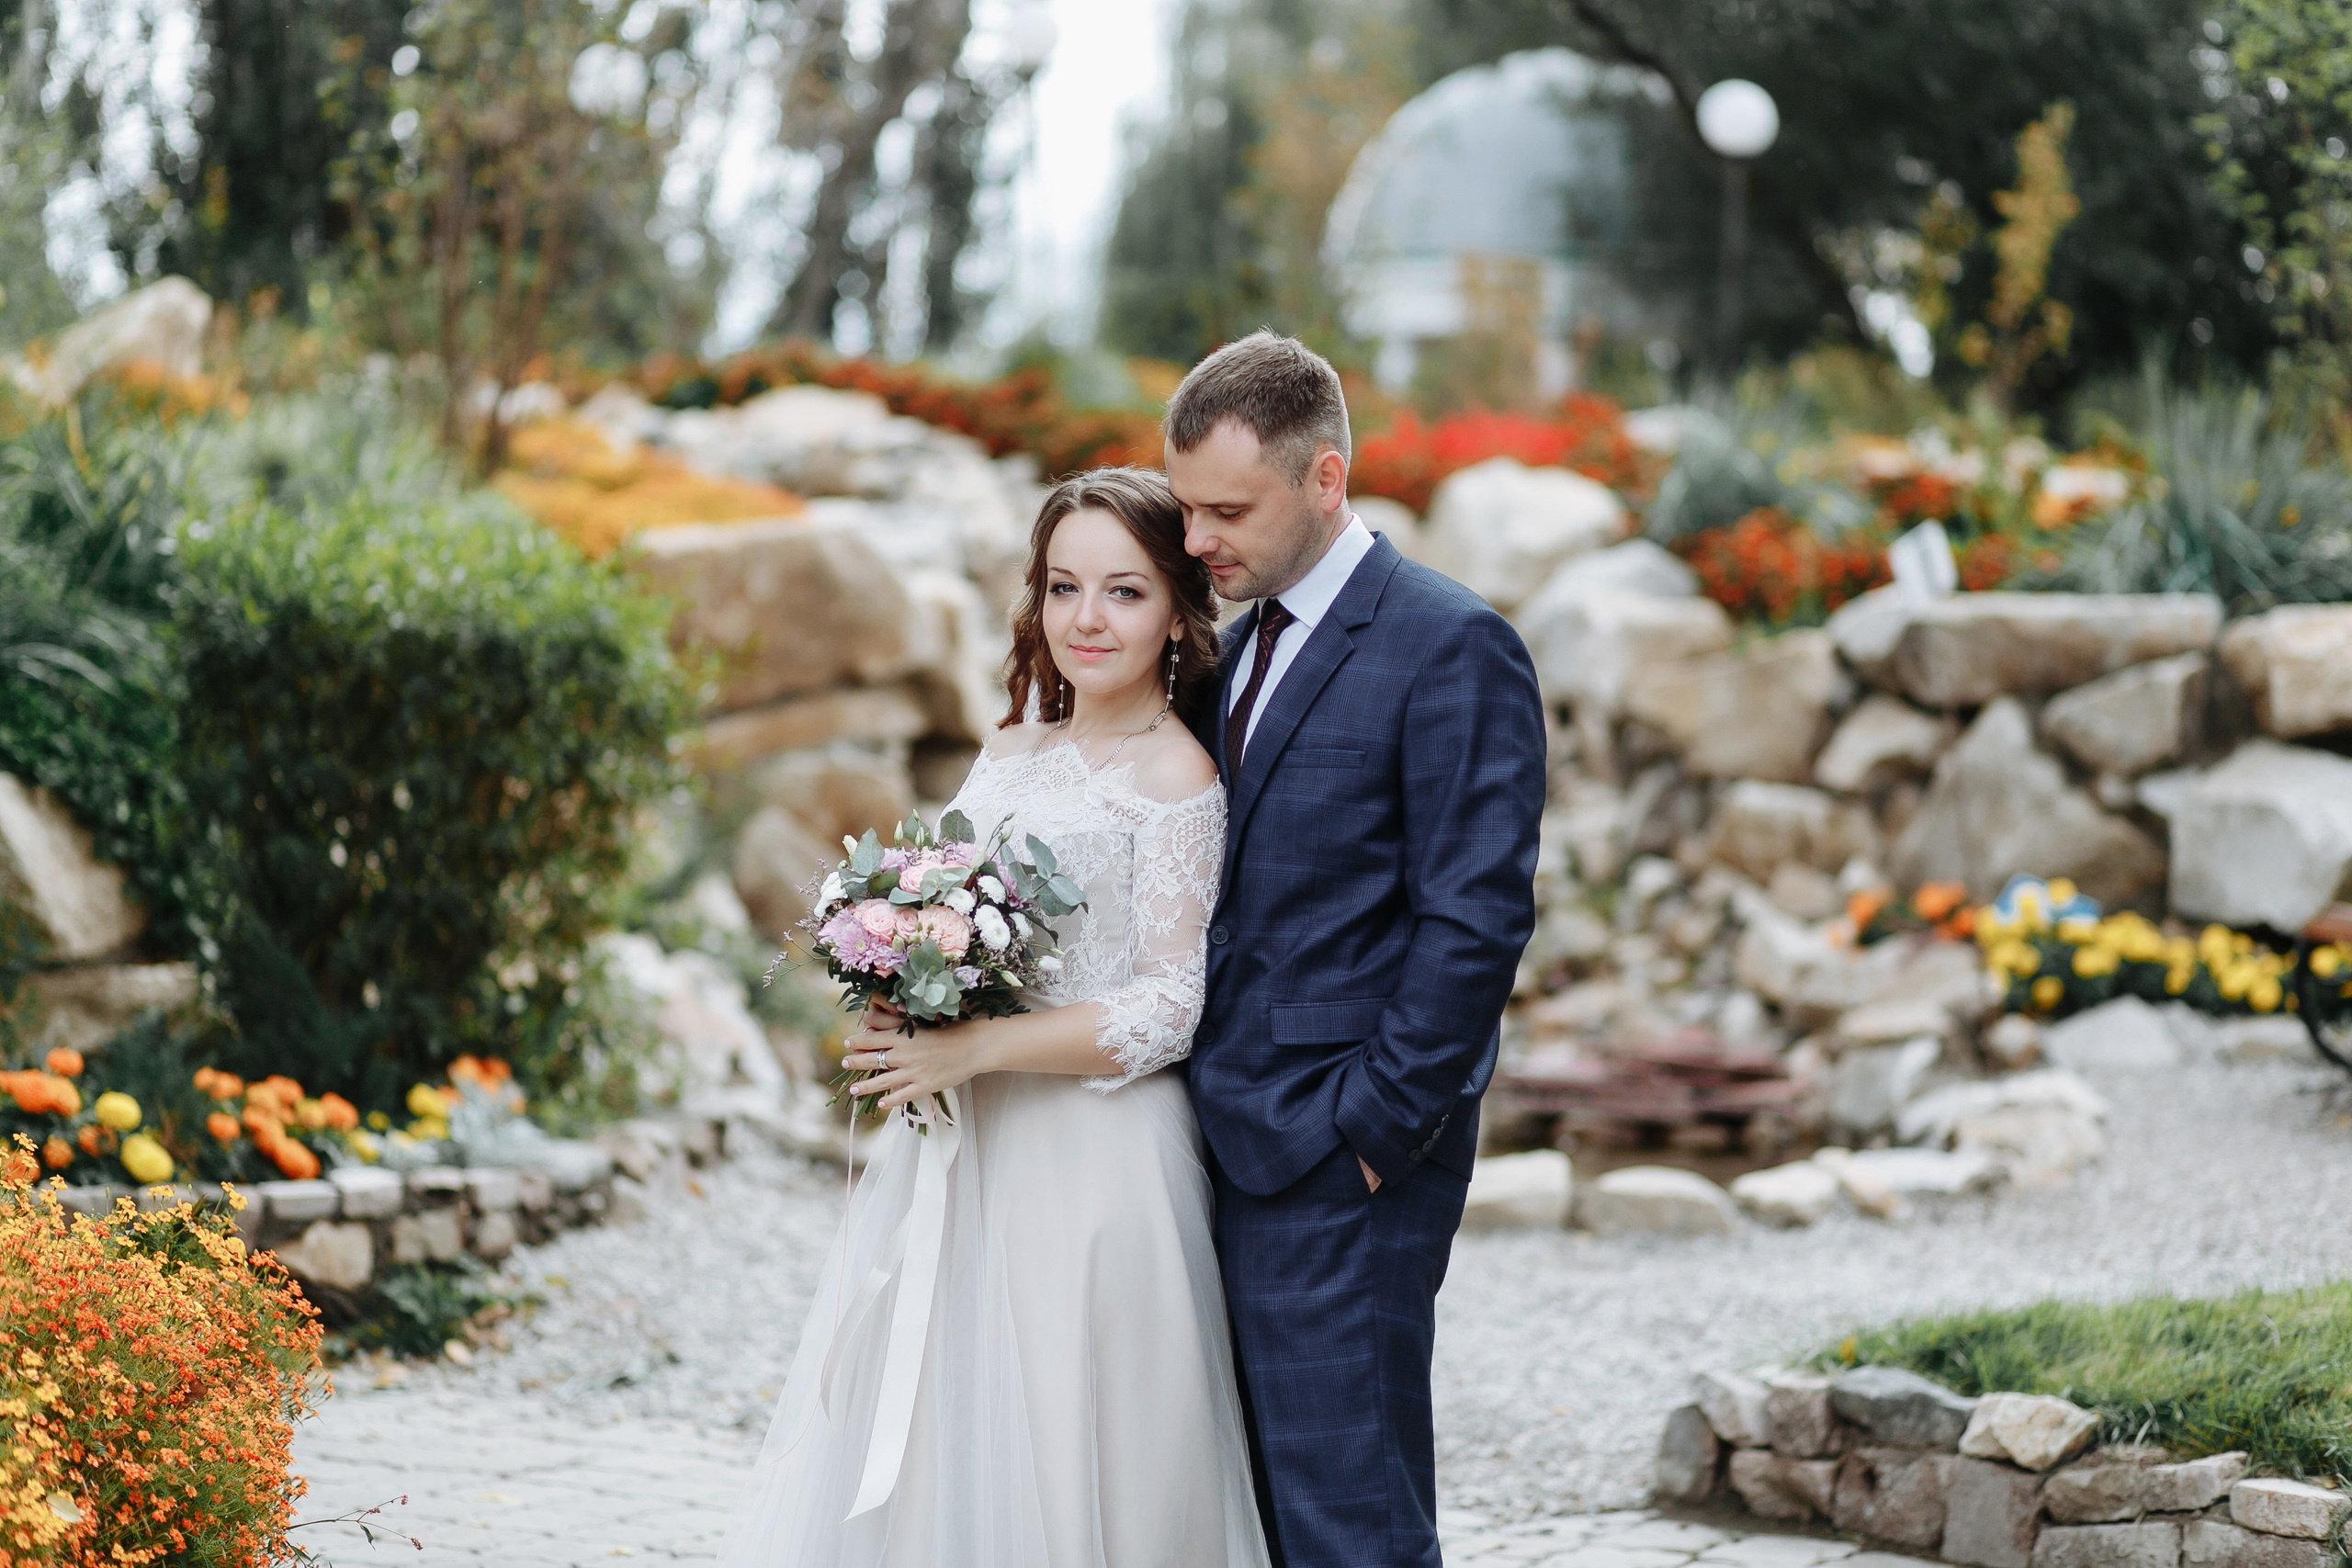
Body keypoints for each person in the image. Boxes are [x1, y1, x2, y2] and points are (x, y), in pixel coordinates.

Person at [717, 468, 1271, 1568]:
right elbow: (953, 908)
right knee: (941, 1429)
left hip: (1094, 1167)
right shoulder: (1009, 747)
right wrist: (898, 985)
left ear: (1174, 608)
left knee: (1070, 1444)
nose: (1087, 619)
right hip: (964, 1149)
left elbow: (1172, 1004)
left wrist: (980, 1044)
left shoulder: (1179, 778)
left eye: (1123, 591)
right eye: (1065, 588)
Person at [1164, 332, 1546, 1568]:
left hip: (1344, 1155)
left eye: (1227, 508)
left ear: (1325, 479)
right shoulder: (1217, 645)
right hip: (1207, 1136)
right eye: (1184, 508)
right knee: (1255, 1514)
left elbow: (1474, 916)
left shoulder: (1450, 644)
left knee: (1352, 1524)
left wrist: (1376, 1130)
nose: (1195, 540)